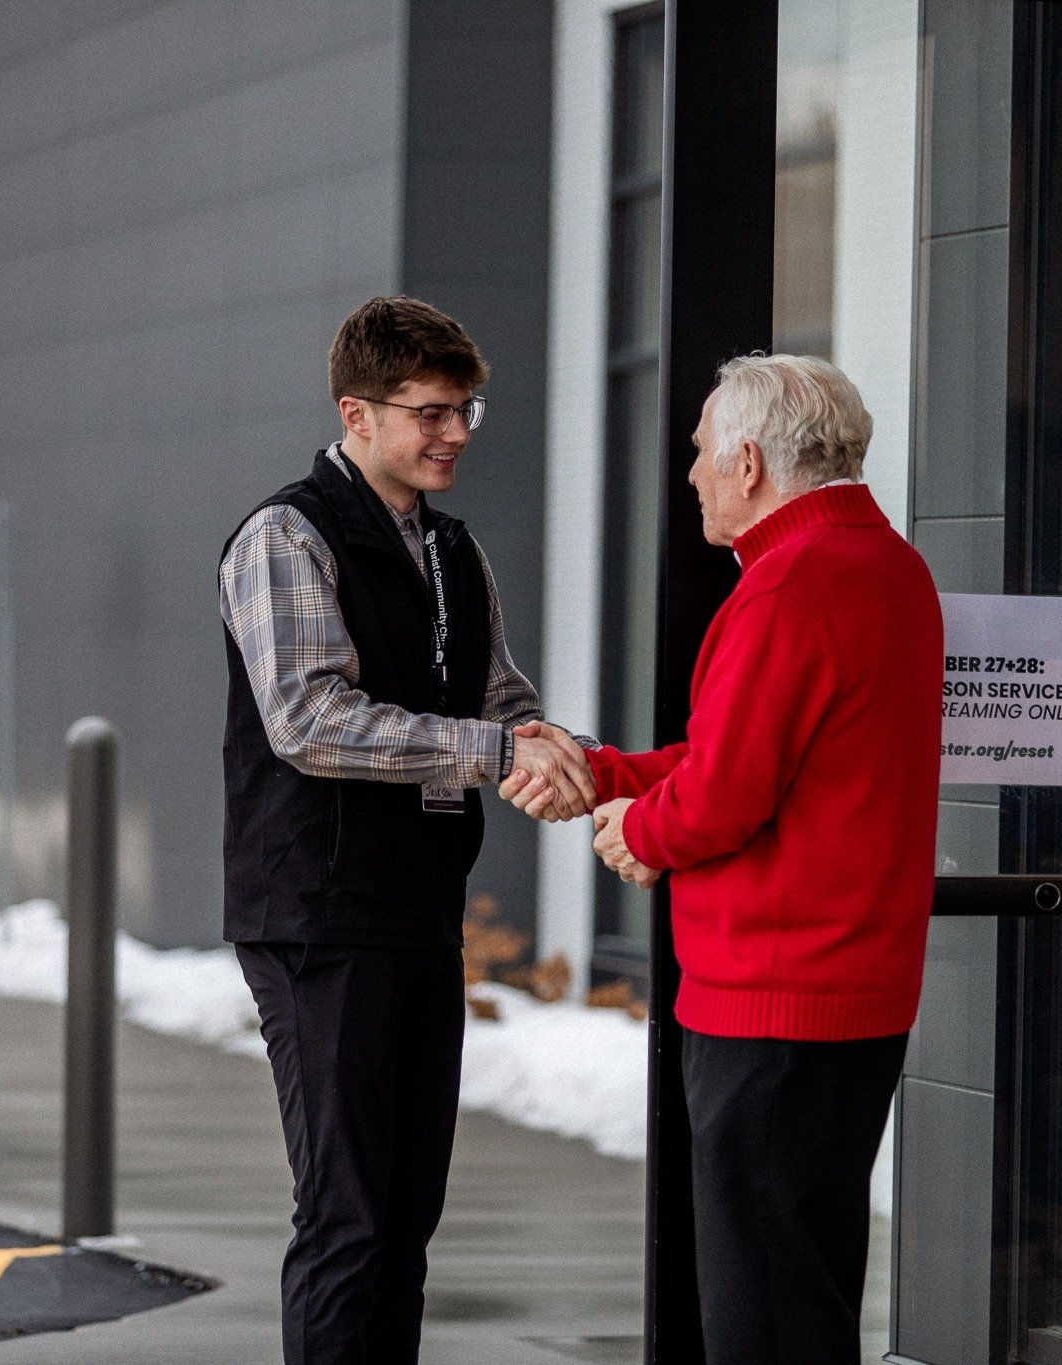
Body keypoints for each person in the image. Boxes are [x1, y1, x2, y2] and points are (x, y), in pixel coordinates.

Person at [506, 353, 944, 1364]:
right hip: (848, 996)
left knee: (763, 1319)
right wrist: (608, 775)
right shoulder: (886, 565)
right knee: (810, 1288)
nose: (694, 473)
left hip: (774, 1000)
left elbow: (723, 796)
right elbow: (750, 758)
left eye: (702, 454)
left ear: (749, 463)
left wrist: (637, 831)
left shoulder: (792, 584)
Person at [219, 295, 594, 1364]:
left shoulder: (449, 549)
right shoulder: (285, 537)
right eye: (430, 413)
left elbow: (498, 698)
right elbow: (311, 721)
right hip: (319, 916)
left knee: (404, 1222)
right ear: (358, 412)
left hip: (419, 911)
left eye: (466, 409)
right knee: (348, 1218)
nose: (457, 434)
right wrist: (499, 753)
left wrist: (557, 750)